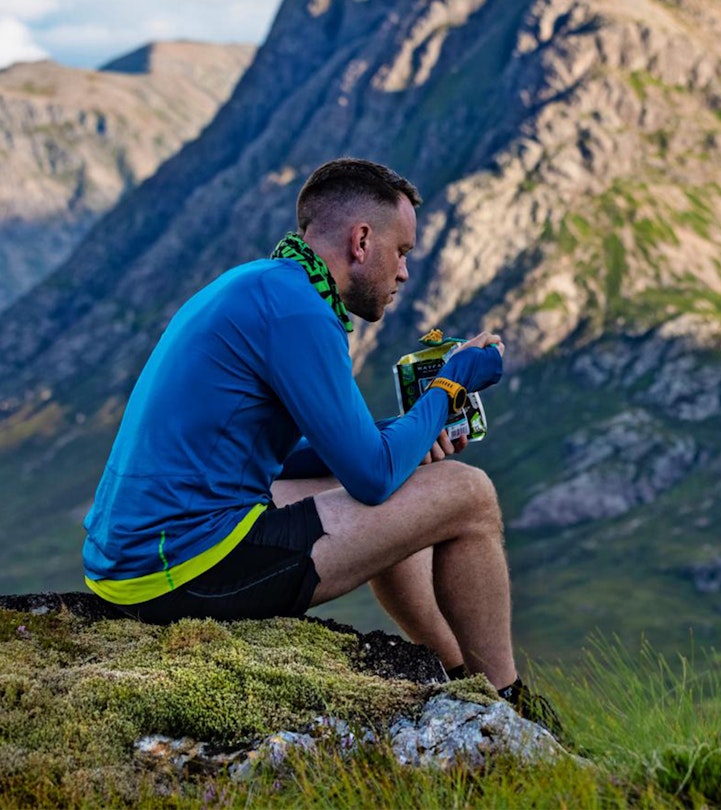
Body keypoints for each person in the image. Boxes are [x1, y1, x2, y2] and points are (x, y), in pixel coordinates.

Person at [81, 157, 561, 736]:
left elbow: (291, 455)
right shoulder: (299, 311)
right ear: (361, 240)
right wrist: (451, 382)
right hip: (182, 570)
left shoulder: (260, 285)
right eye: (402, 251)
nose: (404, 272)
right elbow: (371, 478)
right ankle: (508, 707)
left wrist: (396, 438)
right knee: (470, 494)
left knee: (402, 469)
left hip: (132, 562)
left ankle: (456, 675)